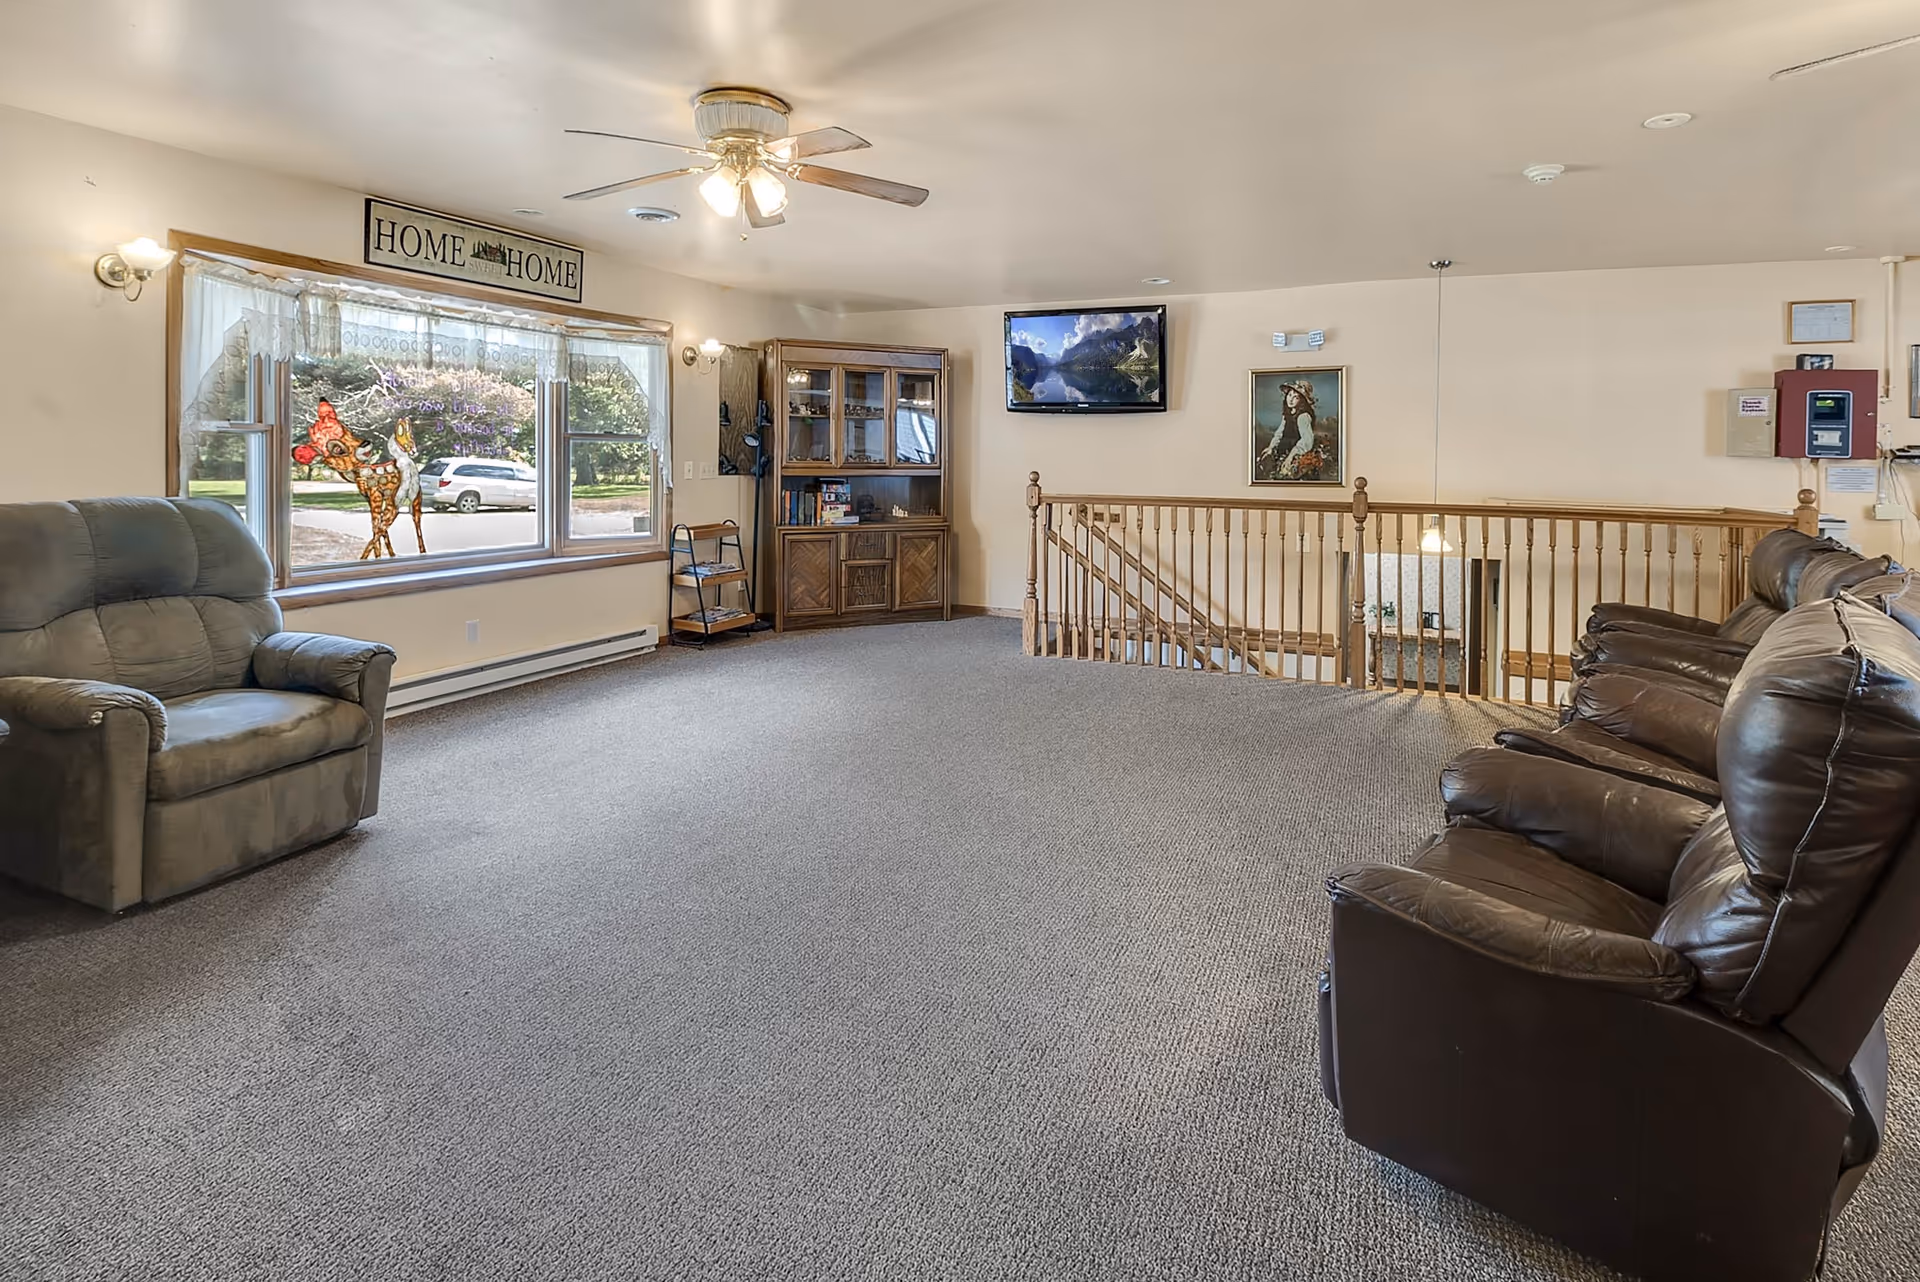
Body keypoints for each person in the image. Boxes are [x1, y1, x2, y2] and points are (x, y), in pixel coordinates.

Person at [1257, 381, 1318, 478]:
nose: (1291, 399)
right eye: (1289, 395)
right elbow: (1279, 432)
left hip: (1297, 452)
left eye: (1296, 397)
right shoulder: (1288, 413)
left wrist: (1291, 456)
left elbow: (1307, 440)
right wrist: (1271, 447)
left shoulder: (1303, 416)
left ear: (1302, 400)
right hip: (1285, 449)